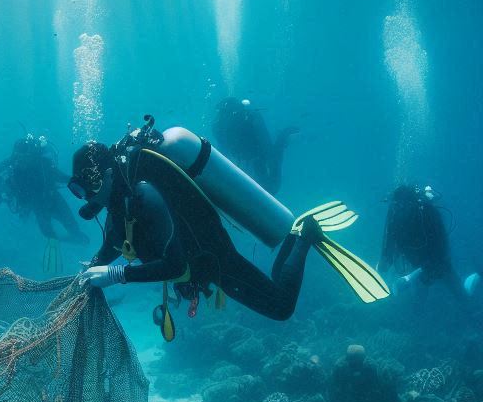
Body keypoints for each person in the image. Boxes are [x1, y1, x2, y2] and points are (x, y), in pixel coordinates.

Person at [68, 122, 387, 339]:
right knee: (275, 301)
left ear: (108, 175)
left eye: (89, 187)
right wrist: (94, 266)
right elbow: (114, 241)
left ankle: (303, 234)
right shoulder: (119, 200)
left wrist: (117, 275)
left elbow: (176, 265)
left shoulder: (143, 195)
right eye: (78, 191)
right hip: (199, 262)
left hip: (212, 258)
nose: (87, 198)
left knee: (280, 307)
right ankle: (296, 237)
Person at [0, 134, 88, 271]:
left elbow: (62, 177)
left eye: (23, 156)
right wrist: (8, 184)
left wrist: (79, 181)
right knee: (48, 234)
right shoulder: (14, 167)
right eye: (17, 156)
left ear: (31, 154)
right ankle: (54, 257)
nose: (20, 160)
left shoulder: (43, 164)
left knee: (77, 233)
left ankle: (72, 244)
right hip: (36, 205)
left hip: (53, 199)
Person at [379, 184, 480, 300]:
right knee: (419, 301)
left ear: (411, 203)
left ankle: (471, 282)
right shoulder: (394, 215)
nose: (399, 209)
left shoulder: (427, 213)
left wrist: (427, 270)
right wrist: (384, 263)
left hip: (437, 261)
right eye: (397, 206)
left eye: (402, 205)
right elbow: (388, 244)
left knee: (461, 295)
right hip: (416, 262)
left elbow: (441, 245)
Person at [211, 97, 295, 196]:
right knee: (272, 187)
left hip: (252, 157)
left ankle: (282, 138)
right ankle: (282, 138)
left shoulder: (219, 125)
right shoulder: (250, 117)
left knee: (271, 187)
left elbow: (223, 154)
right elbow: (267, 146)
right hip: (251, 158)